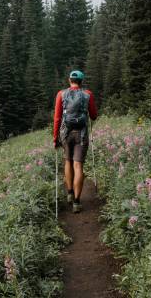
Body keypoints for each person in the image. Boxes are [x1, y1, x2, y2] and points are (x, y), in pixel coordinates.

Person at [53, 70, 98, 213]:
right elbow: (94, 116)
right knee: (78, 165)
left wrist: (55, 138)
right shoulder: (88, 94)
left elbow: (57, 118)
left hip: (66, 134)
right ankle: (77, 203)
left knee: (68, 162)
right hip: (82, 134)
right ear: (81, 81)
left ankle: (70, 192)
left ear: (69, 80)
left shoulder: (61, 94)